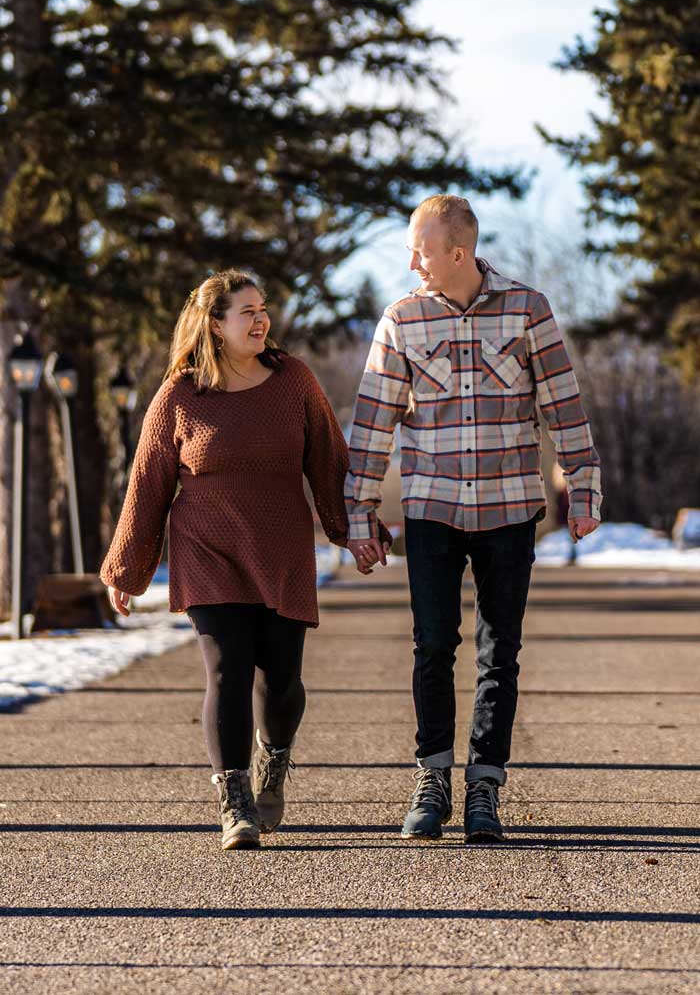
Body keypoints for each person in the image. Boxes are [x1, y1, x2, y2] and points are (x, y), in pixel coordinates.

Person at [100, 268, 388, 850]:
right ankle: (234, 802)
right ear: (215, 323)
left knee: (281, 684)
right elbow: (149, 482)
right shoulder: (180, 394)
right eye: (247, 311)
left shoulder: (294, 382)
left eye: (263, 309)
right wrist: (127, 567)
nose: (261, 320)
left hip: (280, 543)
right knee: (227, 670)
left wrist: (353, 529)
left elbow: (329, 462)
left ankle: (273, 757)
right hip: (207, 548)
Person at [345, 195, 602, 843]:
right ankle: (431, 778)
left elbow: (563, 405)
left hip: (510, 506)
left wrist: (584, 488)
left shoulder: (527, 309)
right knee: (432, 645)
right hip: (431, 507)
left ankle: (485, 785)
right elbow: (374, 421)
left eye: (421, 250)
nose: (412, 262)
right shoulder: (401, 320)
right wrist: (360, 509)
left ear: (457, 253)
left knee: (499, 652)